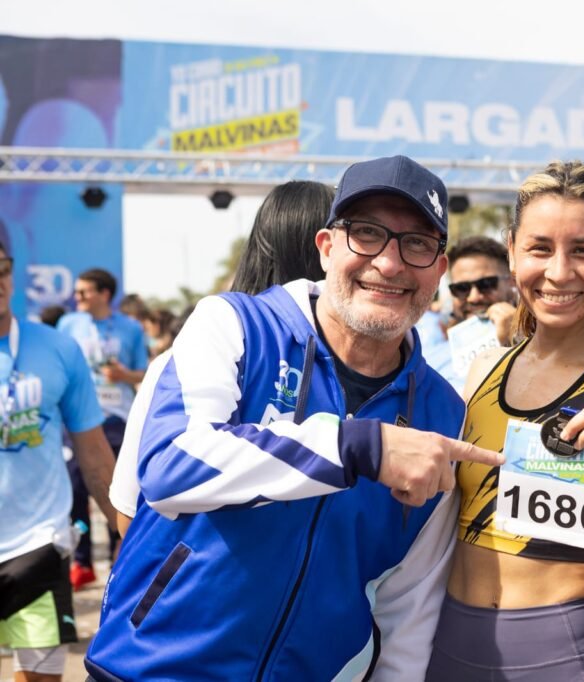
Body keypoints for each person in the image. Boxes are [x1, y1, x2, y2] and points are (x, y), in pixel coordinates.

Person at [85, 156, 503, 681]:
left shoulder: (443, 413)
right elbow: (171, 467)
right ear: (326, 247)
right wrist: (356, 447)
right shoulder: (234, 324)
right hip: (151, 670)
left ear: (438, 271)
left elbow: (408, 603)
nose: (389, 263)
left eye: (417, 243)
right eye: (367, 234)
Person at [425, 161, 584, 680]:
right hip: (447, 647)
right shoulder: (482, 370)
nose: (559, 272)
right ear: (512, 251)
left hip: (567, 658)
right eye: (540, 248)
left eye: (583, 251)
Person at [107, 180, 333, 532]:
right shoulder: (187, 358)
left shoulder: (362, 372)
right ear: (325, 251)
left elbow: (128, 515)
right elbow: (133, 509)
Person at [0, 242, 118, 681]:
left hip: (37, 543)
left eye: (3, 267)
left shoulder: (57, 348)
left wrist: (130, 535)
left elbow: (94, 453)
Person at [56, 268, 148, 588]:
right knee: (76, 491)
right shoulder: (68, 325)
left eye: (84, 292)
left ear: (104, 294)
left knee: (118, 490)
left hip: (117, 419)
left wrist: (124, 375)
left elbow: (144, 372)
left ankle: (117, 558)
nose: (77, 297)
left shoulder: (131, 328)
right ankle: (82, 560)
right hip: (77, 420)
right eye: (76, 292)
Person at [417, 235, 518, 392]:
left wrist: (514, 342)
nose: (474, 297)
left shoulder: (541, 346)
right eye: (462, 288)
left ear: (512, 282)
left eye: (486, 284)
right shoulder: (427, 362)